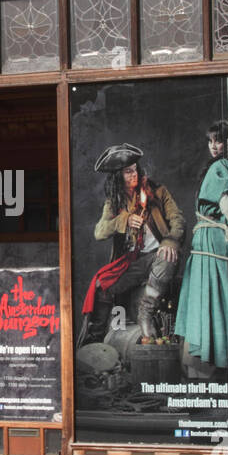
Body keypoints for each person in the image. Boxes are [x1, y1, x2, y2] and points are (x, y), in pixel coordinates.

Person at [79, 143, 185, 345]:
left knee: (167, 254)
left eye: (135, 169)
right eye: (127, 172)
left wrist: (171, 241)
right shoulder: (114, 201)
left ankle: (146, 311)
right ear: (117, 176)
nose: (133, 174)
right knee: (102, 285)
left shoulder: (158, 191)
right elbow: (99, 232)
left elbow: (178, 219)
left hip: (159, 255)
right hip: (135, 261)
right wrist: (124, 220)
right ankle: (96, 338)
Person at [175, 121, 228, 375]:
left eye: (219, 141)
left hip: (211, 237)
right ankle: (211, 367)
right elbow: (227, 206)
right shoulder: (220, 167)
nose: (213, 146)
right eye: (210, 141)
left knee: (211, 298)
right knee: (216, 297)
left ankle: (207, 370)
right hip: (213, 238)